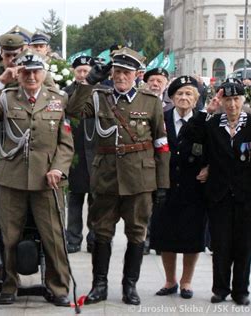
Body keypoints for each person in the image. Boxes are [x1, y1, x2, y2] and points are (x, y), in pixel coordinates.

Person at [68, 47, 170, 306]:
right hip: (106, 177)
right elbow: (73, 110)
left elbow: (161, 144)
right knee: (101, 232)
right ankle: (99, 285)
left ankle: (130, 285)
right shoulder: (99, 97)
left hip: (139, 179)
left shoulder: (150, 101)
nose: (120, 77)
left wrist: (162, 183)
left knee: (136, 233)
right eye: (116, 72)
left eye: (126, 72)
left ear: (137, 74)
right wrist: (89, 81)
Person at [0, 48, 74, 307]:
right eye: (26, 72)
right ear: (18, 74)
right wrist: (1, 82)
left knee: (53, 237)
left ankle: (58, 287)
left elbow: (65, 144)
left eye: (35, 72)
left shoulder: (58, 99)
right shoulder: (7, 97)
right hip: (12, 177)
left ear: (44, 74)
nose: (31, 76)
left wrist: (58, 168)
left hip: (47, 180)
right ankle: (9, 285)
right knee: (9, 236)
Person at [187, 78, 251, 306]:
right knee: (221, 244)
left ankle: (241, 290)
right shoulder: (213, 123)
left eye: (236, 99)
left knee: (244, 245)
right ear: (221, 100)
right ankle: (220, 288)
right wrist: (207, 110)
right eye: (227, 99)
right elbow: (190, 135)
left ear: (243, 100)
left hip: (246, 196)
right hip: (219, 194)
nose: (232, 105)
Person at [149, 76, 208, 299]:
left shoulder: (204, 121)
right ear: (171, 97)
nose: (184, 98)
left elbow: (213, 149)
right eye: (179, 94)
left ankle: (186, 282)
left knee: (192, 237)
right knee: (166, 234)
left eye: (189, 94)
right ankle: (170, 280)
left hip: (194, 188)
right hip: (165, 186)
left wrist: (209, 167)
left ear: (196, 99)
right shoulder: (161, 119)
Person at [64, 55, 97, 254]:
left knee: (95, 202)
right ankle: (73, 238)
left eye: (87, 71)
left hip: (94, 154)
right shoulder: (66, 93)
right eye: (80, 71)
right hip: (74, 154)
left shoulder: (99, 93)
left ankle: (94, 239)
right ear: (74, 72)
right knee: (74, 200)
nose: (83, 75)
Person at [142, 67, 170, 255]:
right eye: (152, 80)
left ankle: (159, 238)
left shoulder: (172, 103)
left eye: (159, 81)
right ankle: (145, 239)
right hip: (144, 159)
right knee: (145, 205)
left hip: (165, 159)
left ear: (166, 83)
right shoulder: (140, 102)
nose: (155, 84)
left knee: (162, 204)